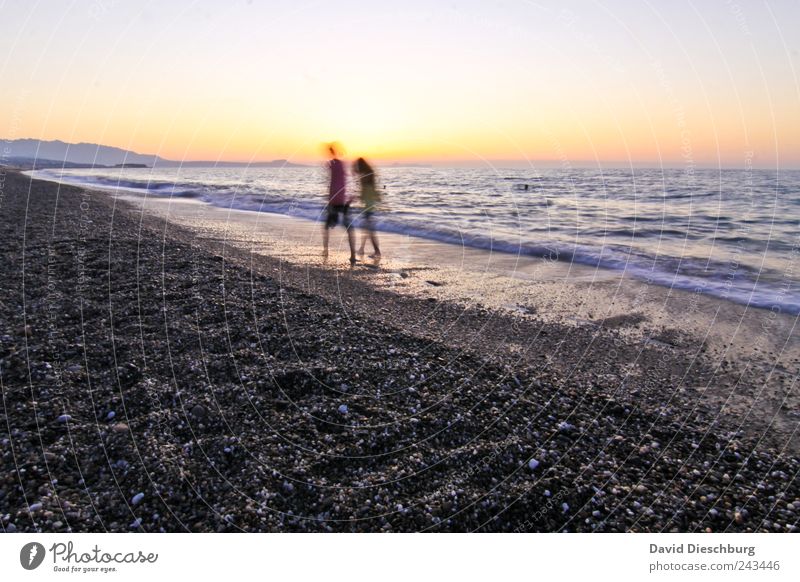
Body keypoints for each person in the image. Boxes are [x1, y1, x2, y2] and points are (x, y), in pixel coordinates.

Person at [322, 143, 356, 264]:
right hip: (342, 200)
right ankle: (353, 254)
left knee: (327, 227)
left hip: (334, 200)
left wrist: (329, 197)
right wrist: (351, 197)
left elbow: (332, 181)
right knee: (349, 228)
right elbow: (346, 180)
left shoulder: (333, 164)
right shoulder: (341, 164)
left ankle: (325, 250)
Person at [353, 157, 381, 257]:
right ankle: (362, 249)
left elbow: (363, 193)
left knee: (369, 230)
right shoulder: (370, 175)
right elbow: (373, 191)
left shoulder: (365, 177)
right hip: (370, 205)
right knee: (366, 228)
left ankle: (377, 251)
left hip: (368, 207)